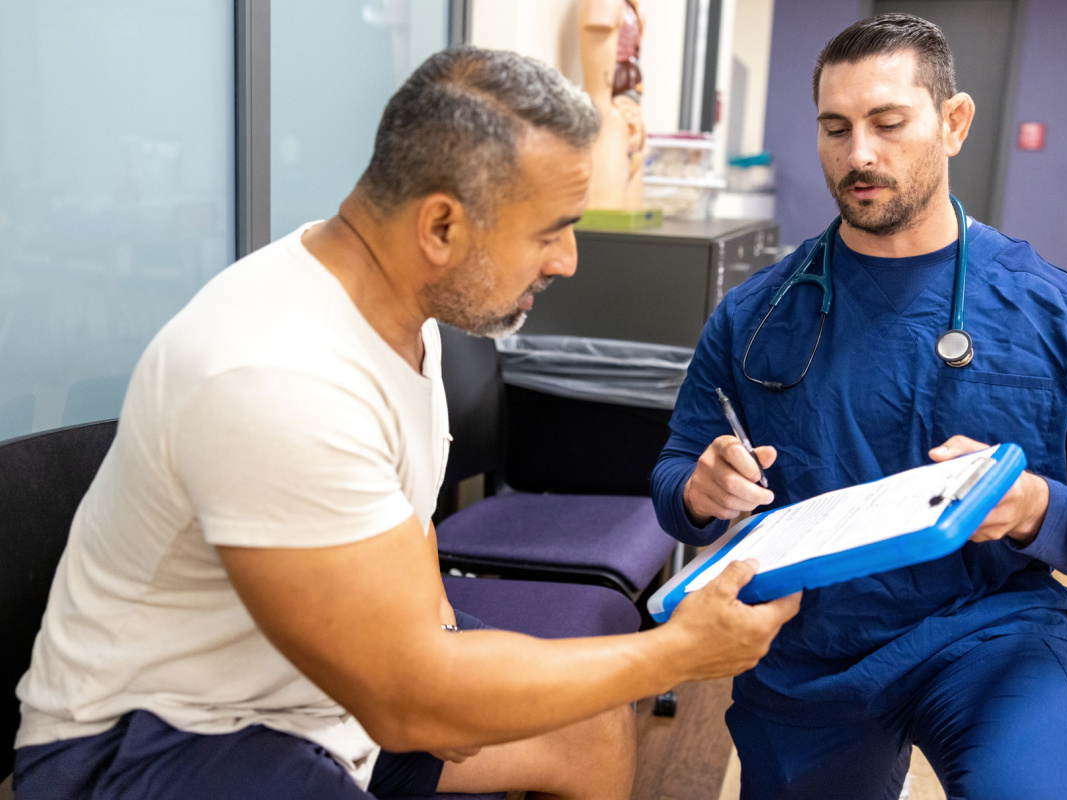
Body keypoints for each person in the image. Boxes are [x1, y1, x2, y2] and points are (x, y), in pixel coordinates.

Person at [13, 46, 801, 800]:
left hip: (310, 691)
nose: (567, 260)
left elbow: (408, 516)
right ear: (441, 229)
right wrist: (677, 654)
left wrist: (443, 652)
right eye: (550, 229)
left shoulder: (401, 302)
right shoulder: (272, 373)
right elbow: (408, 706)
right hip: (156, 739)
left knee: (586, 724)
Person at [651, 14, 1067, 800]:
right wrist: (701, 490)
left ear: (954, 122)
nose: (858, 153)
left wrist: (1032, 506)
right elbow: (674, 482)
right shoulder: (756, 314)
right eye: (836, 128)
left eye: (888, 123)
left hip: (991, 634)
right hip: (812, 647)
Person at [578, 0, 647, 210]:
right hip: (611, 108)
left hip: (629, 102)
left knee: (630, 209)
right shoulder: (604, 5)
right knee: (608, 210)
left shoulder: (632, 10)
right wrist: (604, 110)